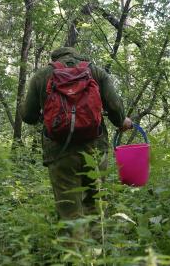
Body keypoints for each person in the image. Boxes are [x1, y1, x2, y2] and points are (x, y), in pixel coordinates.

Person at [21, 47, 132, 221]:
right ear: (77, 56)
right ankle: (96, 246)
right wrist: (122, 121)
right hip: (94, 148)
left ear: (54, 58)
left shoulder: (42, 75)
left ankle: (74, 245)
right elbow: (115, 108)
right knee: (95, 204)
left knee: (69, 211)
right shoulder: (96, 71)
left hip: (59, 151)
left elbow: (28, 116)